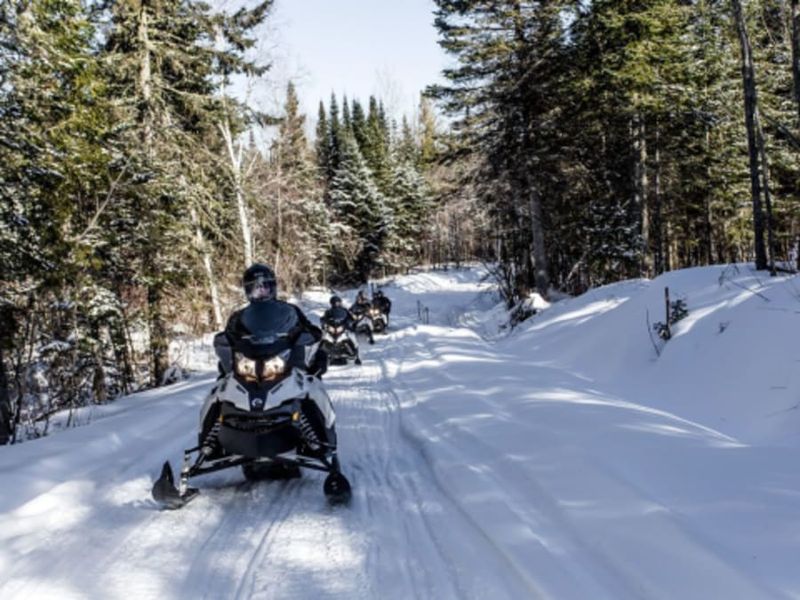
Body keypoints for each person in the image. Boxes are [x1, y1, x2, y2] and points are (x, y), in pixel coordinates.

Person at [215, 263, 328, 378]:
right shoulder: (239, 317)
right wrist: (226, 347)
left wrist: (308, 335)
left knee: (312, 376)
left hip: (284, 361)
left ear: (272, 287)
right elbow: (229, 337)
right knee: (223, 383)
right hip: (250, 364)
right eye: (256, 288)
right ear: (248, 291)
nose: (261, 291)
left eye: (265, 286)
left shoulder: (289, 311)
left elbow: (308, 329)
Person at [320, 295, 361, 365]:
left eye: (337, 302)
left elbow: (351, 318)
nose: (336, 304)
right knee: (323, 338)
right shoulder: (329, 312)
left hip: (343, 327)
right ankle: (319, 355)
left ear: (340, 302)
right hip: (332, 328)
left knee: (352, 337)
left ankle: (357, 356)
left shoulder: (344, 310)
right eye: (334, 303)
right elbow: (324, 319)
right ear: (331, 303)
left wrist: (350, 322)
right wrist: (324, 323)